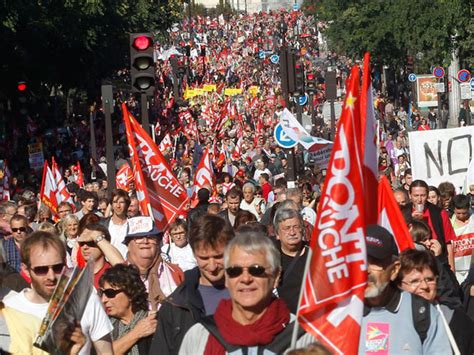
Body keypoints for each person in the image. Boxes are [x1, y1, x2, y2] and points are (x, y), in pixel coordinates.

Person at [179, 231, 313, 353]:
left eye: (256, 270)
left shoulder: (302, 337)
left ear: (276, 276)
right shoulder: (200, 336)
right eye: (234, 271)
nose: (245, 279)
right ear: (226, 278)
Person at [3, 231, 114, 354]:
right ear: (26, 270)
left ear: (65, 264)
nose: (51, 276)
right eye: (41, 269)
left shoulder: (87, 301)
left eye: (57, 268)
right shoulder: (9, 308)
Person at [150, 214, 234, 354]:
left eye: (219, 256)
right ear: (194, 254)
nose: (212, 266)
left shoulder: (251, 296)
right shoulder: (175, 305)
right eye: (204, 258)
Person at [360, 225, 451, 354]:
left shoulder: (422, 313)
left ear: (395, 269)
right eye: (359, 261)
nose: (365, 270)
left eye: (375, 261)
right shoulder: (338, 313)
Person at [397, 249, 474, 354]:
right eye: (415, 281)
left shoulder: (456, 319)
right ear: (399, 285)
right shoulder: (387, 321)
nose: (424, 286)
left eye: (429, 279)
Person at [124, 216, 184, 310]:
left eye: (151, 237)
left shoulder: (175, 272)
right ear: (128, 244)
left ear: (158, 242)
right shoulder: (118, 276)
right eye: (138, 238)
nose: (145, 241)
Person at [99, 264, 157, 355]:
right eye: (101, 293)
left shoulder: (153, 323)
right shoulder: (104, 327)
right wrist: (136, 333)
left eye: (110, 293)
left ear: (130, 293)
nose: (104, 300)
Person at [409, 180, 456, 269]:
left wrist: (452, 270)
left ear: (427, 195)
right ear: (410, 195)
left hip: (437, 262)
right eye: (416, 196)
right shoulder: (404, 213)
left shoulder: (439, 213)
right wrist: (410, 220)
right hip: (413, 264)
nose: (419, 200)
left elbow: (448, 243)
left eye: (423, 195)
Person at [273, 208, 308, 314]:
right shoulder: (271, 258)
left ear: (302, 229)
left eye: (296, 227)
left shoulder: (316, 253)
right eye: (287, 228)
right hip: (286, 322)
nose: (292, 232)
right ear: (277, 234)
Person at [77, 223, 124, 289]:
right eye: (82, 243)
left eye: (91, 242)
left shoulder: (113, 273)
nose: (85, 247)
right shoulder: (77, 276)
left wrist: (96, 236)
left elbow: (123, 267)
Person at [103, 189, 130, 258]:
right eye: (115, 202)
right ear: (111, 205)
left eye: (121, 202)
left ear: (126, 205)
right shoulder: (103, 225)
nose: (118, 206)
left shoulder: (133, 224)